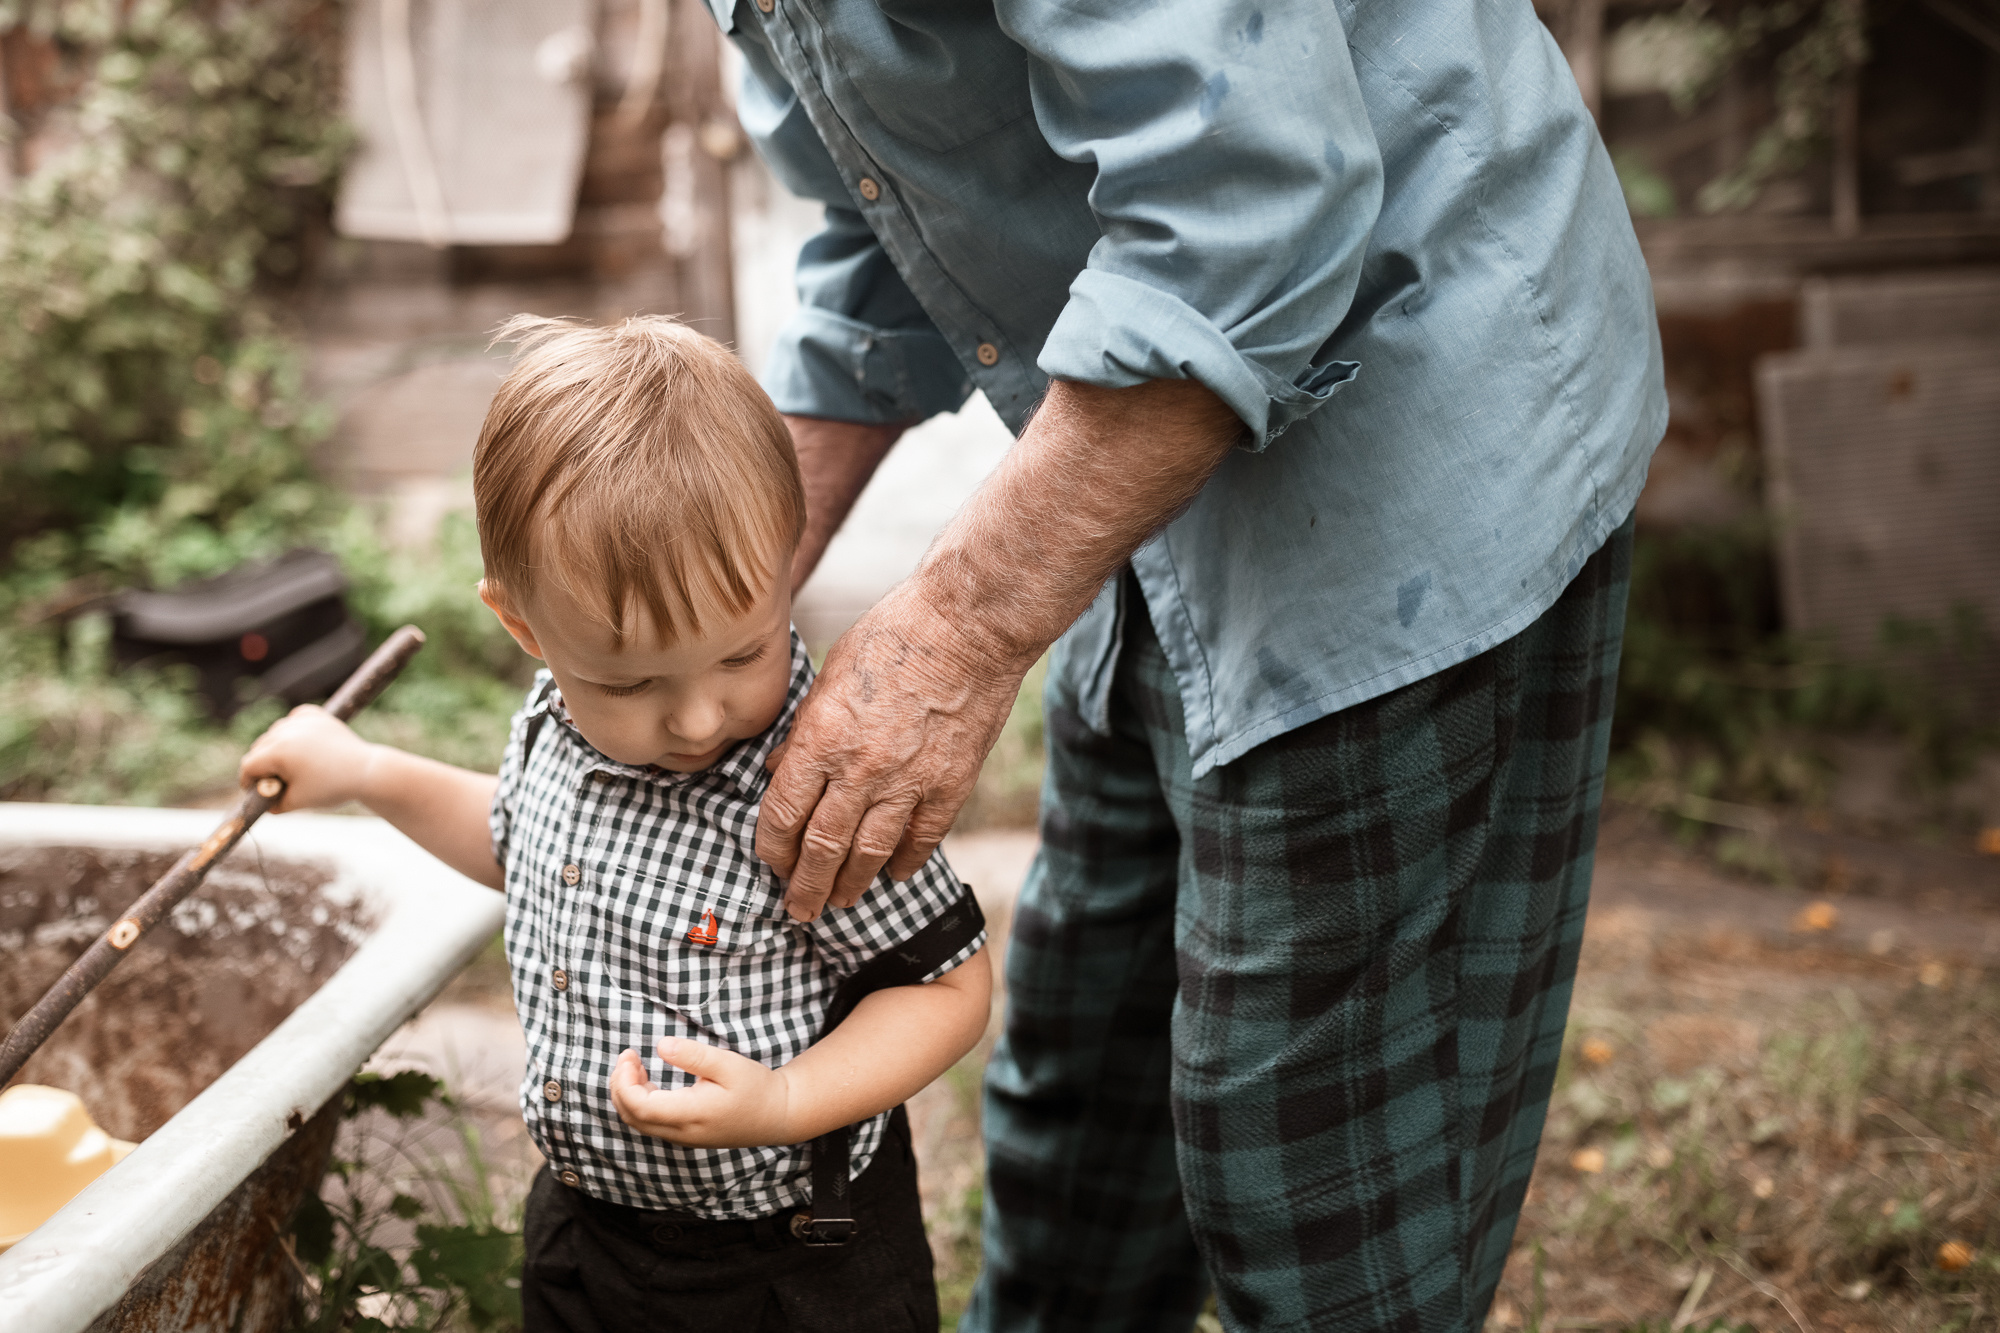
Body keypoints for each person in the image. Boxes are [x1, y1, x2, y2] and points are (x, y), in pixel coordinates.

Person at [707, 0, 1669, 1329]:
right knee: (1087, 1089)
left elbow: (1244, 221)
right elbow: (892, 216)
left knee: (1303, 1163)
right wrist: (703, 597)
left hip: (1408, 427)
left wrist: (957, 631)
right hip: (1137, 464)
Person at [240, 316, 992, 1332]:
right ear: (525, 630)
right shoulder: (555, 729)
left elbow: (945, 987)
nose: (693, 718)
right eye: (629, 680)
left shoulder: (815, 782)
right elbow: (522, 844)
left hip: (788, 1256)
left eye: (741, 654)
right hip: (587, 1228)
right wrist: (368, 770)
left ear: (782, 572)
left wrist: (782, 1101)